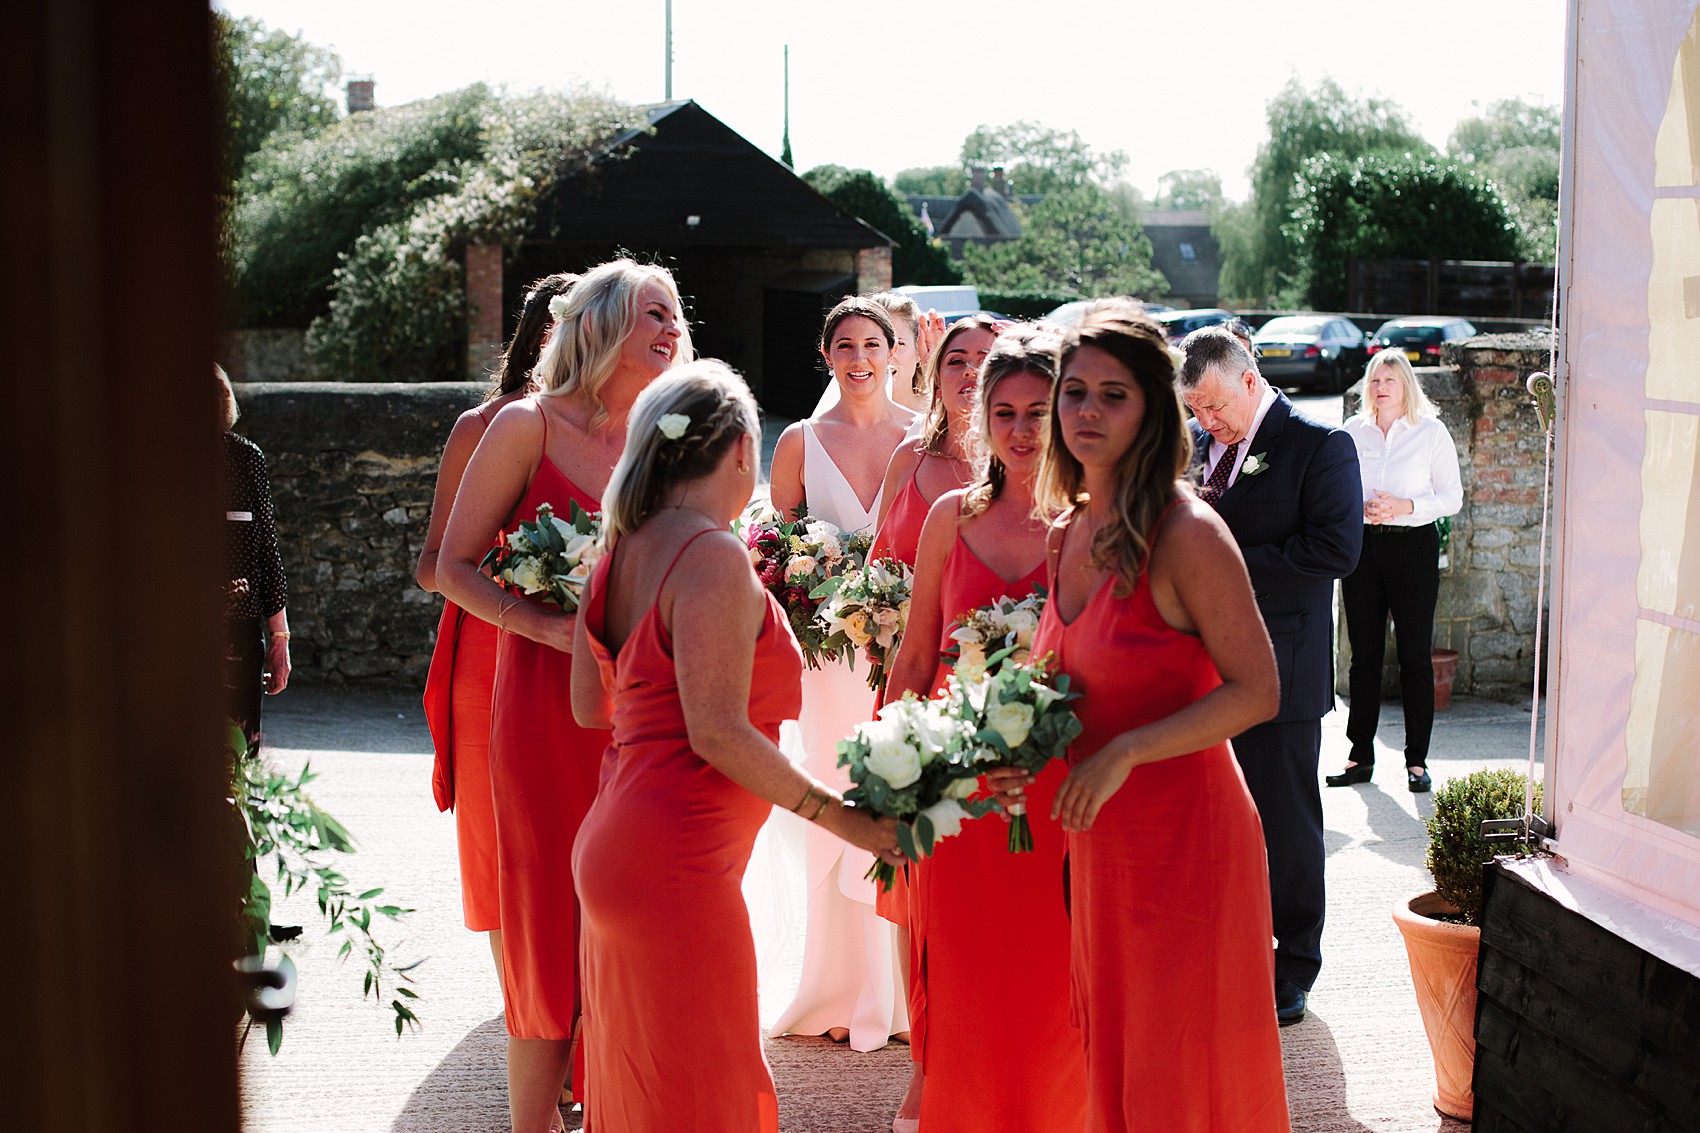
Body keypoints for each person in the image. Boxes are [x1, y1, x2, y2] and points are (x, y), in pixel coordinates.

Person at [569, 361, 904, 1133]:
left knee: (644, 1084)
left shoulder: (618, 549)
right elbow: (717, 732)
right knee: (701, 1087)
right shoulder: (712, 555)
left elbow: (594, 706)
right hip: (677, 861)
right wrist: (845, 818)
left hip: (617, 839)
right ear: (744, 452)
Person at [436, 258, 690, 1133]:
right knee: (549, 915)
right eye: (653, 313)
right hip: (543, 706)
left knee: (639, 915)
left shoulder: (675, 435)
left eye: (674, 316)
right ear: (605, 324)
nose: (671, 329)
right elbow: (452, 566)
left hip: (650, 712)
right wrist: (542, 627)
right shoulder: (524, 426)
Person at [1024, 309, 1287, 1129]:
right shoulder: (1067, 529)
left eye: (1114, 393)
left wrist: (1130, 749)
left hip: (1187, 841)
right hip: (1103, 840)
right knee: (1119, 1053)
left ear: (1154, 410)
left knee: (1183, 1066)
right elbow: (1061, 687)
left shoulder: (1189, 532)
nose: (1087, 412)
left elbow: (1258, 689)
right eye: (1074, 393)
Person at [883, 325, 1084, 1133]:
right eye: (1004, 410)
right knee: (964, 965)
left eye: (1039, 409)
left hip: (1053, 788)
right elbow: (916, 653)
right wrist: (891, 770)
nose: (1022, 428)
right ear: (979, 419)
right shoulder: (946, 517)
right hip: (958, 786)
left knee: (1047, 969)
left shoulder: (1086, 522)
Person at [1178, 324, 1362, 1027]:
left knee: (1285, 818)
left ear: (1250, 381)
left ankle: (1295, 962)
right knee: (1214, 817)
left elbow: (1335, 548)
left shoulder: (1322, 445)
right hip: (1198, 669)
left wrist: (1217, 569)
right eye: (1195, 409)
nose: (1206, 422)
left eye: (1215, 406)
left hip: (1280, 666)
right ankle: (1225, 941)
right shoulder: (1196, 449)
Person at [417, 272, 577, 987]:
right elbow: (431, 565)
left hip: (587, 646)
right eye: (557, 323)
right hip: (491, 646)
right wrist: (521, 571)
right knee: (502, 839)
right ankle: (529, 1009)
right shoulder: (481, 427)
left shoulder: (627, 426)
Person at [767, 296, 915, 1051]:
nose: (859, 358)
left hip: (897, 650)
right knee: (832, 800)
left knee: (895, 791)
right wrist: (814, 580)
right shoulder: (798, 441)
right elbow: (773, 549)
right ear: (827, 356)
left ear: (895, 352)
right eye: (845, 345)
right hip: (828, 660)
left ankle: (899, 995)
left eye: (872, 344)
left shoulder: (922, 438)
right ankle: (833, 986)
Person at [1328, 349, 1462, 793]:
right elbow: (1338, 490)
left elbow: (1452, 498)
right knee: (1363, 656)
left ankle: (1417, 761)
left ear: (1406, 386)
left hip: (1412, 548)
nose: (1380, 387)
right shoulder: (1352, 431)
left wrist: (1404, 506)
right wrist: (1358, 507)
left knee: (1413, 657)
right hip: (1363, 548)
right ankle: (1358, 756)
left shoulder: (1430, 432)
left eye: (1389, 380)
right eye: (1374, 380)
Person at [219, 364, 290, 745]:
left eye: (222, 390)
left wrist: (280, 637)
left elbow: (267, 550)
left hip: (240, 629)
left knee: (240, 752)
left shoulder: (247, 458)